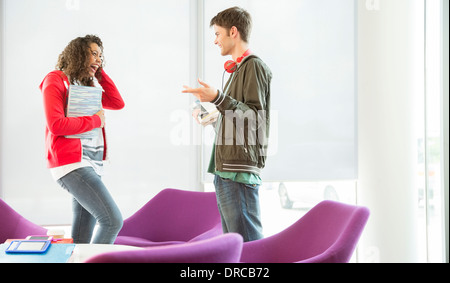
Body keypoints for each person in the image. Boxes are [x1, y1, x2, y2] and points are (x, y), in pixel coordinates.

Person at [183, 7, 272, 242]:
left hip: (238, 174)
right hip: (226, 172)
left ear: (234, 32)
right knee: (234, 247)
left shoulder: (253, 66)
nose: (214, 41)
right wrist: (213, 117)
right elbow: (237, 119)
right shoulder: (238, 70)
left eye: (217, 34)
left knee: (246, 248)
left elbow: (253, 118)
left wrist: (217, 98)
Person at [39, 35, 124, 244]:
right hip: (72, 163)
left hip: (91, 162)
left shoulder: (87, 86)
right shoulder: (55, 80)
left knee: (83, 232)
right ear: (78, 54)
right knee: (112, 221)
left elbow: (117, 102)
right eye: (93, 54)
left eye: (101, 56)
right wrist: (95, 120)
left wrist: (100, 72)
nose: (98, 59)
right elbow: (56, 124)